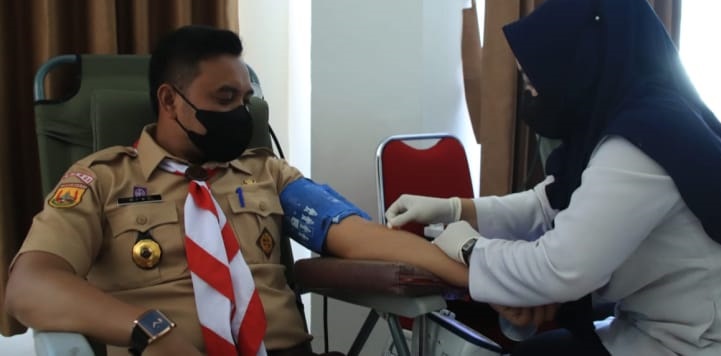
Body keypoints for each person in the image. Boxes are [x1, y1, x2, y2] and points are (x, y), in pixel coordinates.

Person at [4, 25, 468, 356]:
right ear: (169, 100)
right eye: (224, 99)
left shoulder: (267, 173)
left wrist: (475, 279)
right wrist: (149, 328)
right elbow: (29, 286)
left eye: (245, 100)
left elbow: (359, 236)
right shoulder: (102, 179)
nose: (241, 114)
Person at [385, 0, 721, 355]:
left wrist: (469, 248)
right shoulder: (629, 119)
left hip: (703, 341)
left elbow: (560, 268)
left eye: (534, 84)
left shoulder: (643, 142)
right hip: (655, 323)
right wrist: (456, 208)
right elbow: (550, 204)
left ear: (576, 72)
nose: (531, 96)